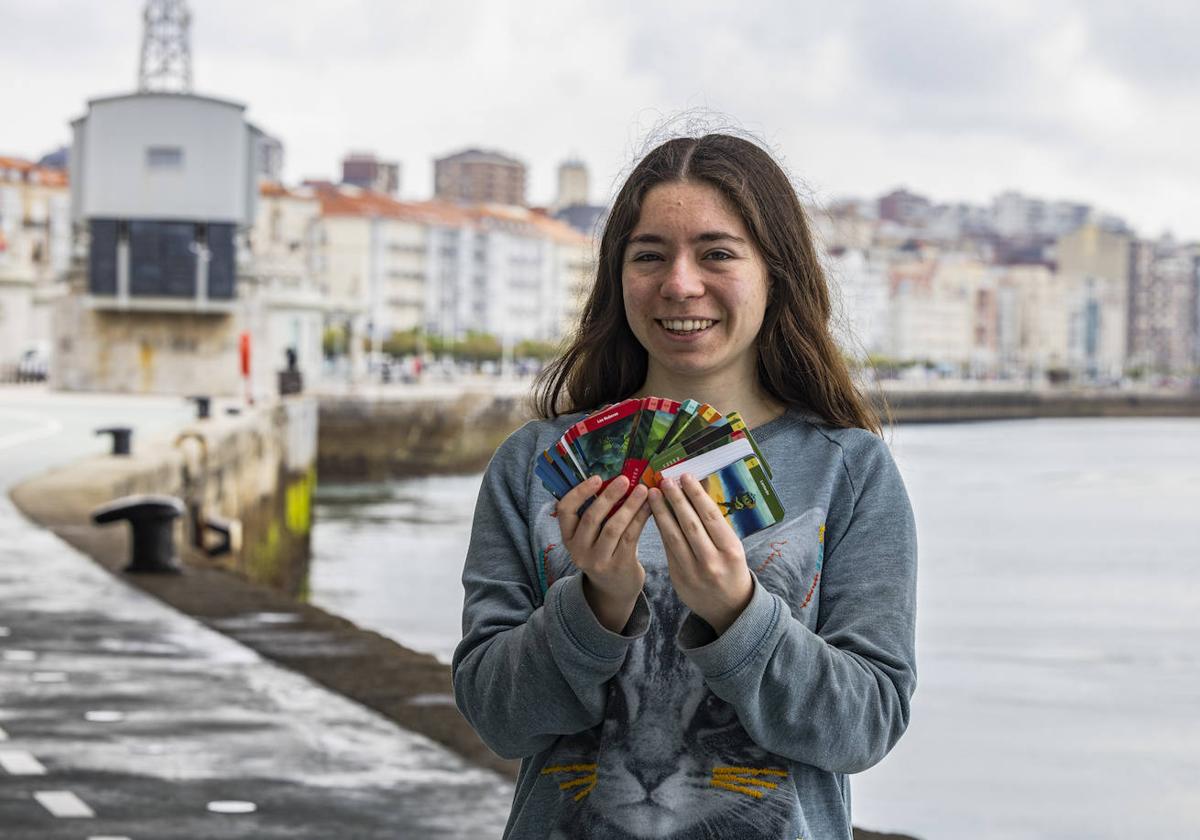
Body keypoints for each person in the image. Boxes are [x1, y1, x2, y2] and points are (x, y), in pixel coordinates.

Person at [452, 133, 917, 840]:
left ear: (777, 274)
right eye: (649, 256)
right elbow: (497, 720)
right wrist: (596, 604)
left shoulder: (849, 469)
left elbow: (865, 728)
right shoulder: (532, 463)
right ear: (617, 278)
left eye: (717, 253)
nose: (679, 283)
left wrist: (737, 611)